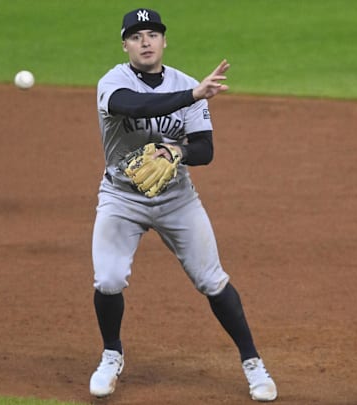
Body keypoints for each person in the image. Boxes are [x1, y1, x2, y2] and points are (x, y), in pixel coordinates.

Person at [89, 8, 277, 402]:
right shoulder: (113, 83)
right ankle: (111, 354)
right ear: (125, 44)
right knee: (108, 279)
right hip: (122, 197)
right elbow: (137, 107)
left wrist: (176, 151)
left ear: (164, 41)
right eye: (136, 35)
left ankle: (253, 363)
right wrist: (194, 95)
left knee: (212, 280)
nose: (145, 41)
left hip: (177, 199)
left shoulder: (188, 84)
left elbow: (205, 150)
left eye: (152, 34)